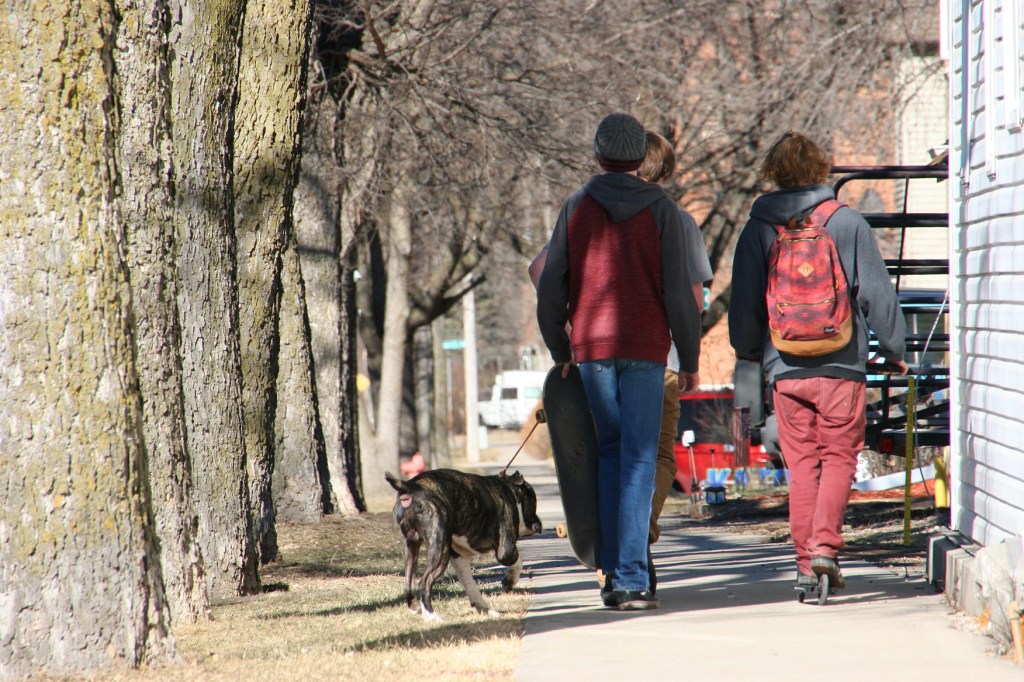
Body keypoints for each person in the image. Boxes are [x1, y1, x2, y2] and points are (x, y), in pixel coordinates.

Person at [529, 132, 711, 594]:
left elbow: (550, 284)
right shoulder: (664, 209)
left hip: (592, 352)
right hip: (648, 352)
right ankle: (631, 577)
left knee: (609, 455)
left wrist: (560, 348)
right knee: (639, 460)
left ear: (597, 155)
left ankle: (612, 572)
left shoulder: (576, 206)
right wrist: (688, 357)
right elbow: (680, 294)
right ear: (639, 158)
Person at [728, 131, 908, 591]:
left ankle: (806, 565)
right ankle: (826, 547)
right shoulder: (846, 223)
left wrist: (751, 355)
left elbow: (745, 302)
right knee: (839, 459)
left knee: (802, 462)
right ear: (821, 170)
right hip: (841, 364)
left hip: (784, 366)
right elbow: (876, 293)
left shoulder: (758, 228)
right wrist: (895, 350)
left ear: (775, 172)